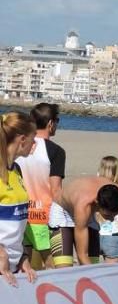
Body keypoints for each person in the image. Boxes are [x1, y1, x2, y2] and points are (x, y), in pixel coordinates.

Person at [16, 102, 65, 269]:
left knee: (24, 265)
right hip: (43, 216)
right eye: (57, 120)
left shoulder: (20, 146)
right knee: (51, 264)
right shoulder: (55, 151)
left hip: (19, 214)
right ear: (50, 123)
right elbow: (56, 189)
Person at [56, 176, 118, 266]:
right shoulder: (83, 206)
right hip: (62, 212)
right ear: (97, 203)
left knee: (93, 264)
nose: (112, 219)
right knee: (64, 269)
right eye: (108, 215)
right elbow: (82, 255)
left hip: (88, 210)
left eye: (116, 214)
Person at [0, 112, 37, 286]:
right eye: (33, 138)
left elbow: (17, 222)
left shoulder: (17, 170)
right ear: (22, 140)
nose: (34, 143)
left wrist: (23, 258)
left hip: (12, 266)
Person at [96, 156, 118, 263]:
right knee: (111, 275)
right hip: (114, 236)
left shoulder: (93, 189)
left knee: (92, 274)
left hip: (94, 234)